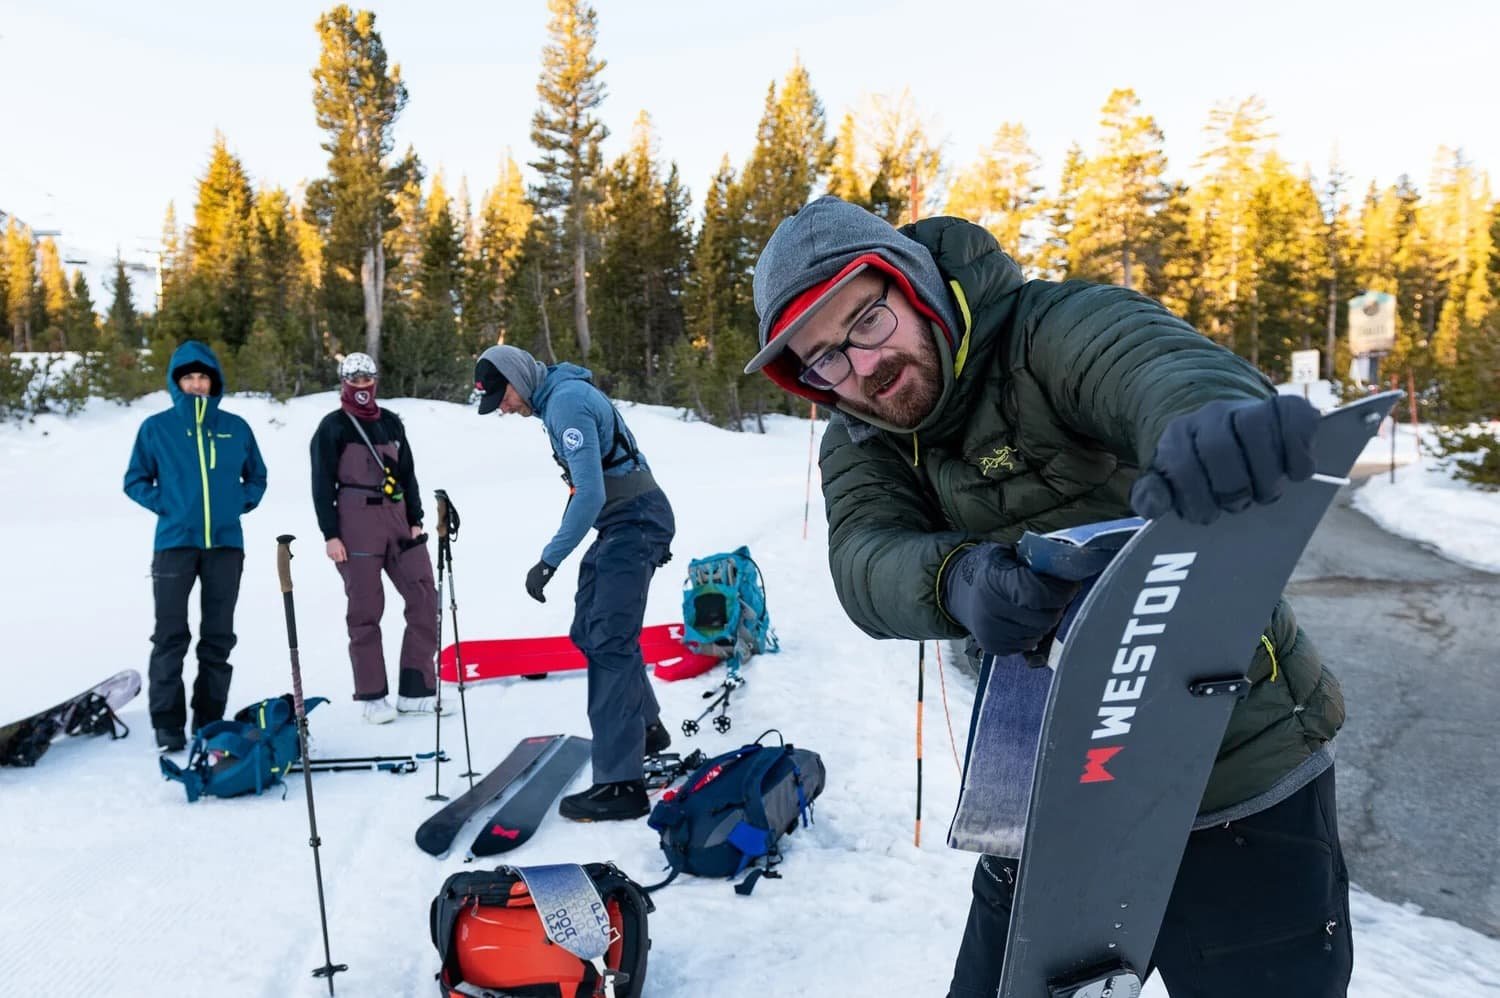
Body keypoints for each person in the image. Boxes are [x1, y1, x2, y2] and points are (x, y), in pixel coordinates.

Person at [744, 196, 1351, 998]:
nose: (862, 367)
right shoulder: (862, 434)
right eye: (823, 359)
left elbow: (1153, 364)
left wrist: (1214, 427)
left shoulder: (1048, 329)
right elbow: (863, 559)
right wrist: (956, 577)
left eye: (867, 321)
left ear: (915, 285)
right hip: (1047, 788)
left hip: (1235, 759)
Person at [474, 344, 675, 821]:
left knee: (609, 640)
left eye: (503, 397)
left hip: (634, 521)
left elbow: (589, 493)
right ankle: (645, 728)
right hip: (621, 521)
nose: (504, 408)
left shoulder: (566, 403)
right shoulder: (555, 400)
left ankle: (620, 785)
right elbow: (588, 486)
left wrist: (549, 560)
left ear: (518, 378)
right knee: (589, 628)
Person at [124, 340, 268, 753]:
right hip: (174, 545)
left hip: (226, 545)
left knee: (218, 638)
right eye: (188, 377)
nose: (197, 384)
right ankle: (167, 723)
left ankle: (209, 720)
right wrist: (169, 505)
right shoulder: (157, 428)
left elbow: (257, 477)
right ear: (177, 382)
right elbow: (135, 480)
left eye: (203, 376)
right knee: (170, 635)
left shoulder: (235, 427)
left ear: (214, 381)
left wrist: (238, 502)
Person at [310, 352, 447, 724]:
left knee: (424, 597)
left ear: (375, 380)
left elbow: (408, 473)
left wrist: (416, 519)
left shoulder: (390, 422)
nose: (361, 385)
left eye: (366, 378)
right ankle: (372, 696)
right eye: (353, 379)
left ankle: (416, 691)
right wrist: (331, 534)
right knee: (365, 610)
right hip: (355, 522)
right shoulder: (332, 427)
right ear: (343, 382)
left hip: (398, 519)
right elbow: (321, 485)